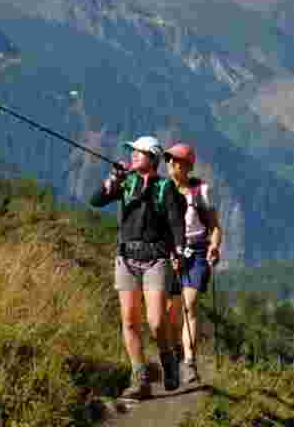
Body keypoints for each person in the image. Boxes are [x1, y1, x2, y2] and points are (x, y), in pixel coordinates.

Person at [89, 135, 189, 400]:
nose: (133, 155)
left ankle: (168, 359)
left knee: (156, 321)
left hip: (156, 259)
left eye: (139, 152)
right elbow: (96, 201)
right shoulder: (126, 182)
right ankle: (140, 379)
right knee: (130, 321)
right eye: (132, 151)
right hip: (126, 258)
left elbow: (176, 222)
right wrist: (113, 179)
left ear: (153, 158)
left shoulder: (165, 187)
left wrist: (179, 250)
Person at [160, 142, 221, 387]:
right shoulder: (161, 190)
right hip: (170, 254)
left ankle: (189, 362)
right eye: (169, 160)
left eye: (177, 160)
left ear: (188, 166)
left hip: (196, 252)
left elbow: (214, 226)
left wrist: (214, 246)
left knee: (190, 306)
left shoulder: (200, 191)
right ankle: (175, 353)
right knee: (171, 313)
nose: (171, 164)